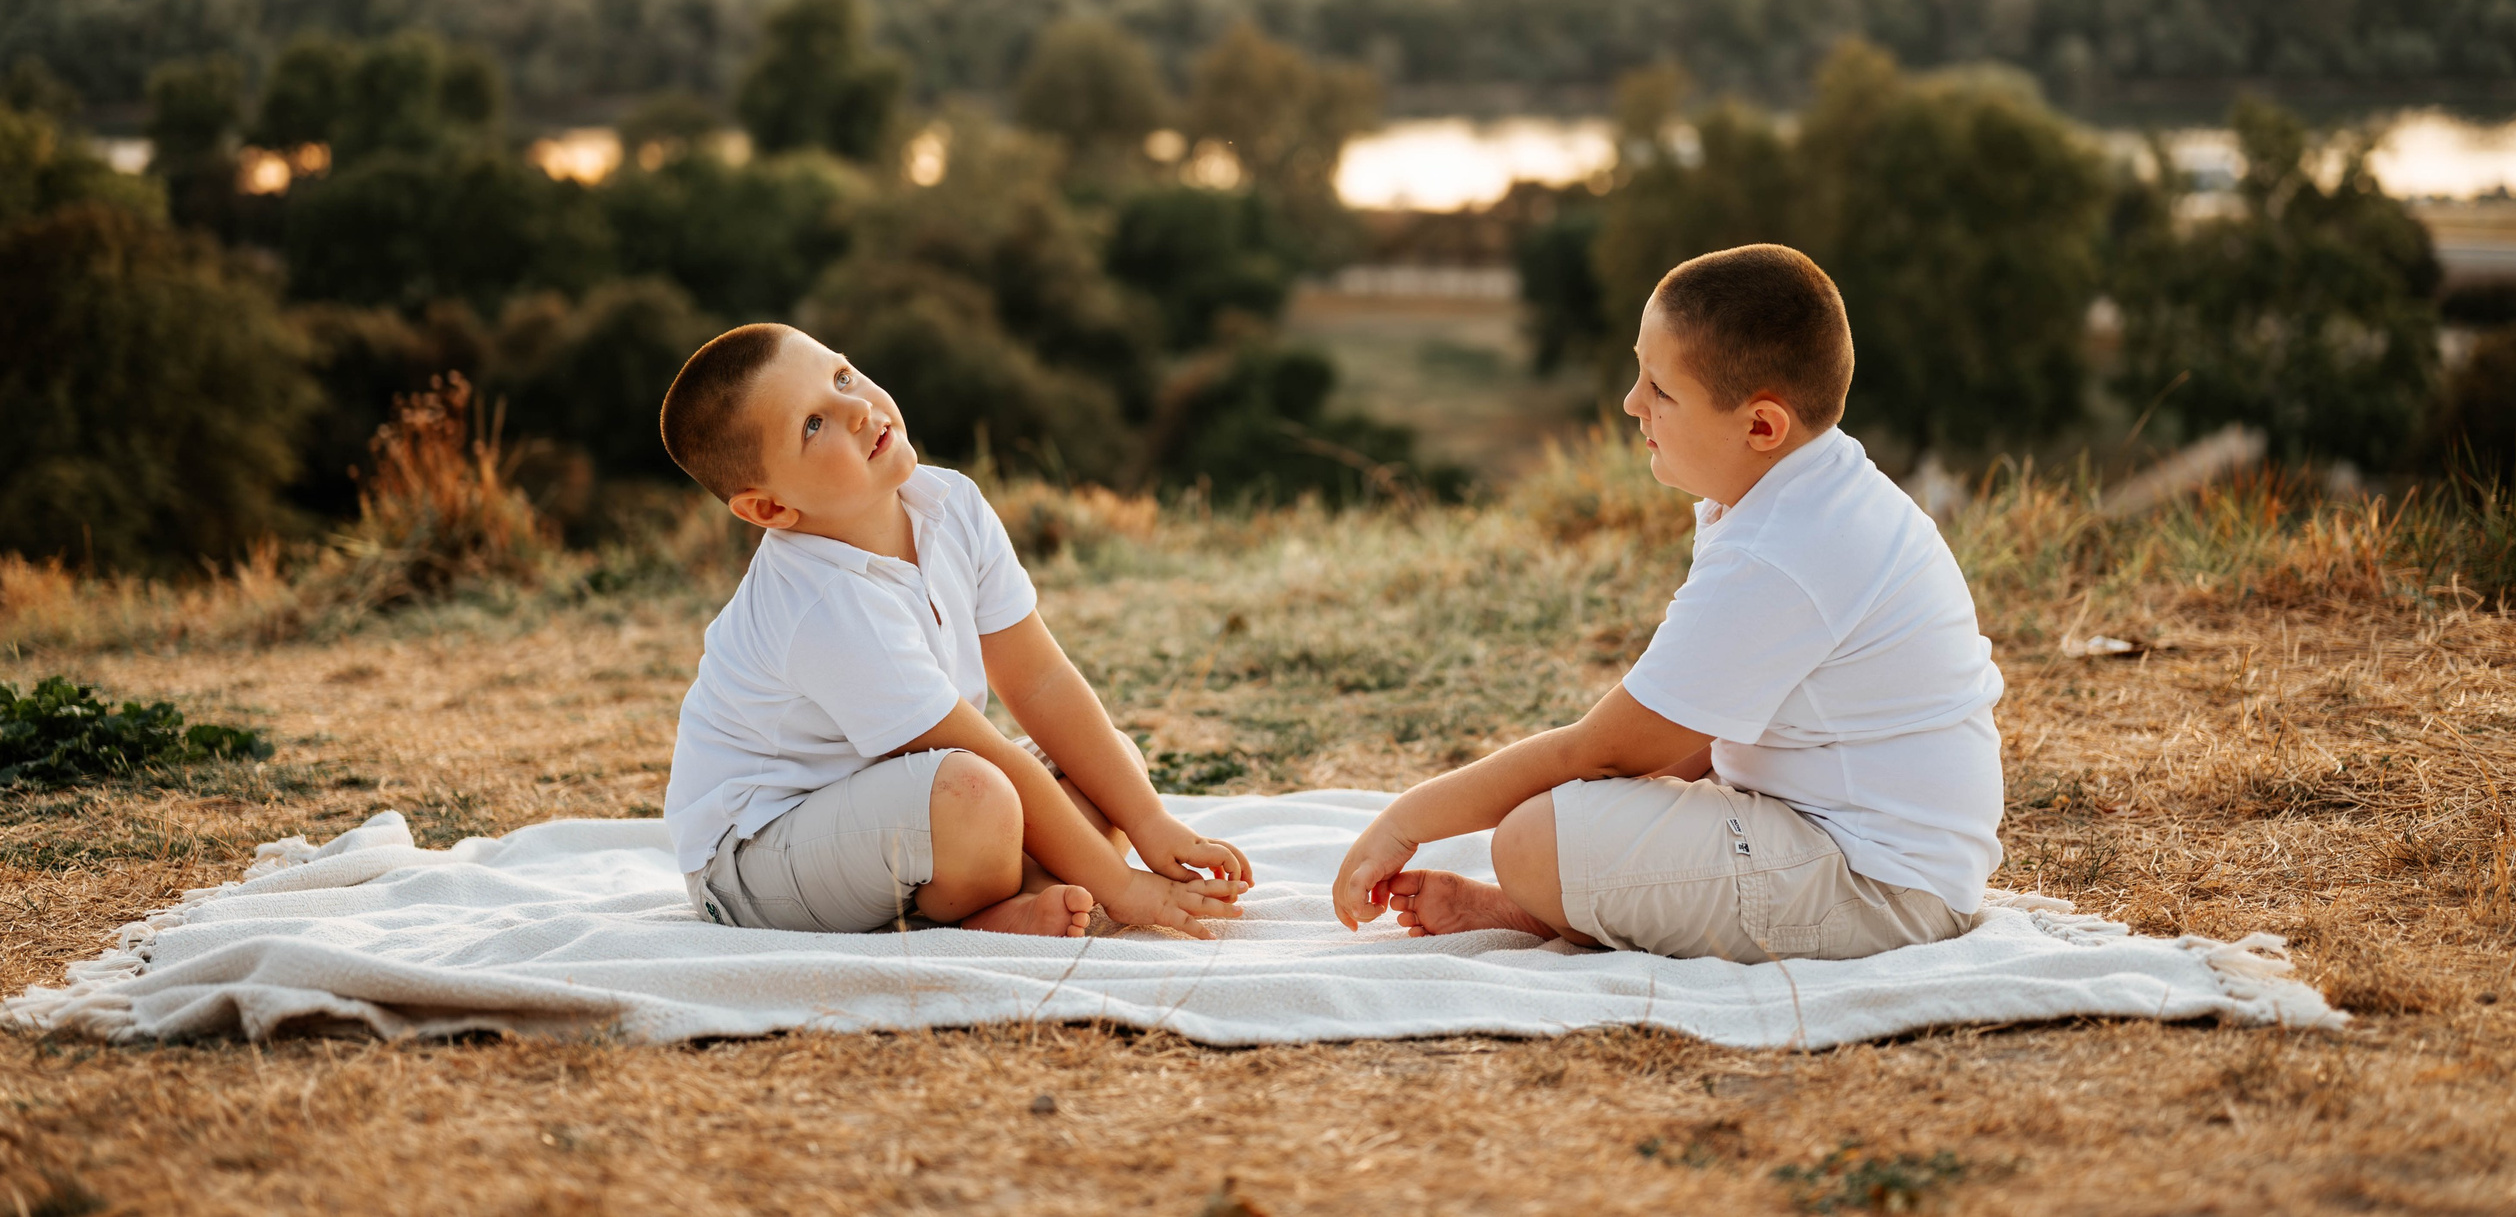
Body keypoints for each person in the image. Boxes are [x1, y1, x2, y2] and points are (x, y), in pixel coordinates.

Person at [1330, 244, 2002, 962]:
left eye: (1660, 389)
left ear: (1761, 426)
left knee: (1531, 839)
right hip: (1846, 844)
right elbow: (1686, 737)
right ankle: (1560, 905)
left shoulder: (1780, 552)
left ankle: (1543, 906)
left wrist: (1405, 820)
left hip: (1879, 887)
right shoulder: (1800, 490)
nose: (1632, 403)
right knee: (1563, 820)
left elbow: (1599, 750)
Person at [660, 323, 1252, 938]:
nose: (857, 409)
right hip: (753, 855)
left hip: (897, 802)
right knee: (977, 795)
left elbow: (1041, 680)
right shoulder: (822, 604)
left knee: (1110, 764)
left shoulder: (951, 502)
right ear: (769, 509)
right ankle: (979, 906)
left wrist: (1151, 823)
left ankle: (1022, 894)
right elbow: (988, 758)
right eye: (813, 424)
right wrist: (1123, 887)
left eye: (842, 375)